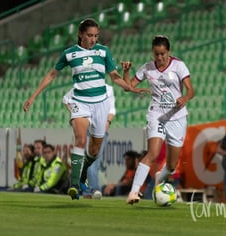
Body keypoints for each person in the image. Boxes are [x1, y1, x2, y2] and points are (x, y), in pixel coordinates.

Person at [23, 18, 147, 200]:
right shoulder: (69, 54)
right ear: (80, 34)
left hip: (101, 103)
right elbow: (51, 74)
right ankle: (74, 185)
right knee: (80, 139)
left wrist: (131, 87)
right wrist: (33, 97)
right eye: (89, 35)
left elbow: (114, 77)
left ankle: (82, 176)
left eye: (96, 36)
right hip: (80, 101)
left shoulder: (103, 51)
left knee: (94, 151)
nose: (93, 39)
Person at [123, 35, 195, 205]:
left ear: (168, 52)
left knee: (171, 165)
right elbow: (129, 87)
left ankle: (159, 180)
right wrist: (126, 72)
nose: (160, 58)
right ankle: (134, 192)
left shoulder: (179, 65)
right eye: (157, 54)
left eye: (163, 54)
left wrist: (185, 99)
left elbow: (191, 90)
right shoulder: (147, 68)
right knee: (153, 153)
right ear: (153, 53)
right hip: (157, 115)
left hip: (177, 117)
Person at [63, 83, 116, 199]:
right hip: (86, 129)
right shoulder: (82, 86)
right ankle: (92, 190)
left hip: (100, 130)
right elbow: (66, 99)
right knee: (89, 159)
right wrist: (76, 114)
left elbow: (111, 109)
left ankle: (82, 183)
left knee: (93, 158)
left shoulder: (108, 89)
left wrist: (107, 123)